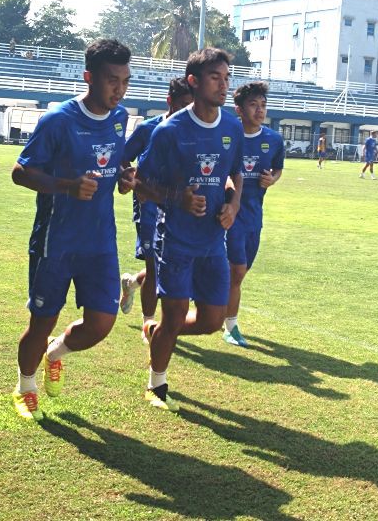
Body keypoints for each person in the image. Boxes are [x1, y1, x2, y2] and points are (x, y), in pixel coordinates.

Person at [10, 39, 134, 421]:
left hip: (100, 241)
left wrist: (124, 177)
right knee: (40, 321)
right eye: (112, 80)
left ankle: (56, 353)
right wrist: (66, 185)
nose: (119, 89)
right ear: (89, 77)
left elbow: (110, 167)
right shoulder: (58, 120)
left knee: (101, 324)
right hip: (56, 242)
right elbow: (20, 172)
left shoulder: (119, 117)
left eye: (125, 81)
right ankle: (25, 385)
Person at [135, 48, 244, 412]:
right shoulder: (170, 131)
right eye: (216, 77)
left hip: (214, 241)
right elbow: (141, 183)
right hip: (176, 241)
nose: (224, 85)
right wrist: (177, 199)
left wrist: (233, 204)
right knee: (175, 315)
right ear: (194, 82)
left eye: (227, 77)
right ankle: (157, 383)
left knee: (214, 320)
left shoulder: (231, 126)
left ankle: (158, 333)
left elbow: (235, 175)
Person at [146, 81, 283, 349]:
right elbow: (224, 173)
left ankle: (159, 315)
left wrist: (271, 179)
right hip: (214, 216)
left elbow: (262, 170)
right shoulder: (195, 130)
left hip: (251, 215)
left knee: (237, 275)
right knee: (235, 271)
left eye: (263, 105)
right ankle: (229, 326)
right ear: (239, 109)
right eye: (253, 105)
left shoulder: (272, 139)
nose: (259, 110)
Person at [119, 78, 194, 327]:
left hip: (181, 205)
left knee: (171, 264)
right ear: (169, 101)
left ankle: (131, 284)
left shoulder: (195, 132)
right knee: (153, 265)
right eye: (183, 105)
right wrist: (129, 177)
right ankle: (149, 324)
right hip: (149, 203)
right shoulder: (147, 130)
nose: (188, 111)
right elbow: (122, 160)